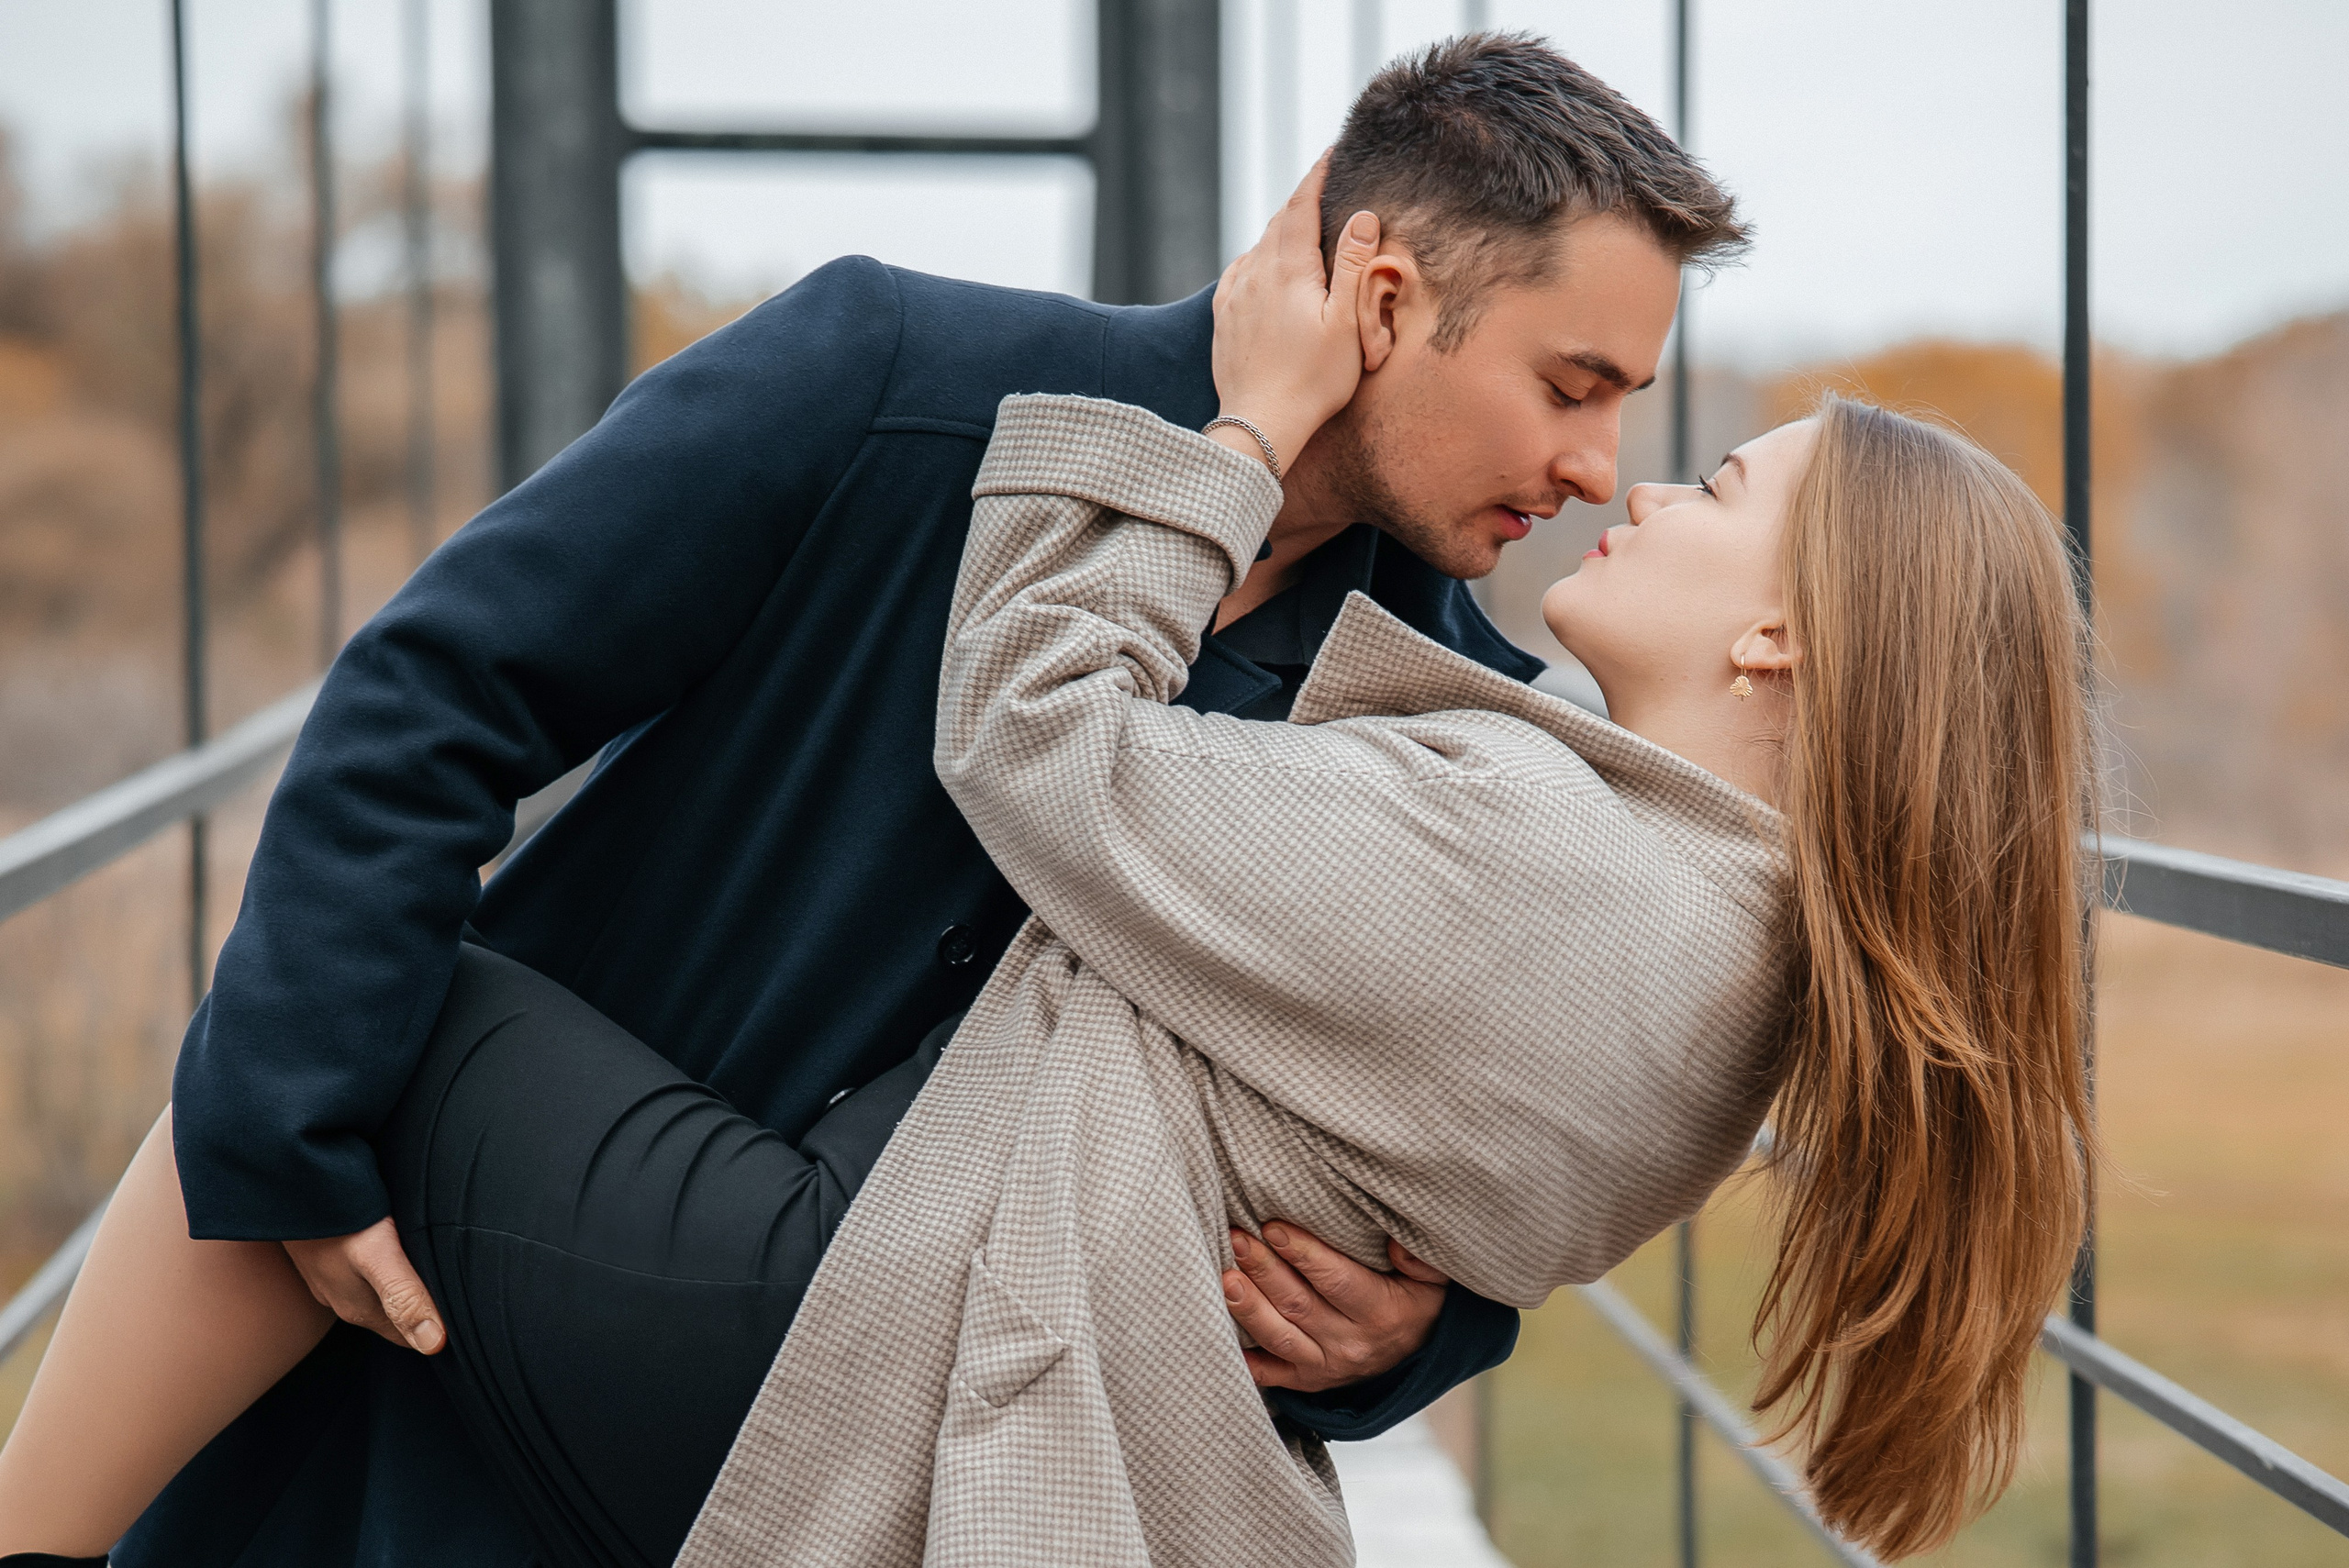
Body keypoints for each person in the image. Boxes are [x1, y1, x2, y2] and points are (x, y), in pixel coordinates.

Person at [0, 139, 2094, 1566]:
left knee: (364, 1012)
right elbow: (436, 688)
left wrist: (1416, 1327)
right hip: (818, 1317)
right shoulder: (900, 377)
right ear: (1379, 289)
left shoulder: (1461, 725)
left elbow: (1394, 1088)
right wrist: (295, 1120)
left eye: (1665, 436)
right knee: (323, 1010)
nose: (1601, 470)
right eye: (1573, 385)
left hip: (866, 1350)